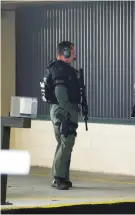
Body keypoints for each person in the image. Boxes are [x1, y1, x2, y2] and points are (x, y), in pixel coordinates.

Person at [40, 41, 81, 190]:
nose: (74, 54)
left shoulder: (61, 68)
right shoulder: (60, 69)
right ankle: (58, 178)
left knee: (65, 143)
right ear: (65, 52)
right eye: (72, 51)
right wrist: (67, 112)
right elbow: (60, 92)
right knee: (66, 142)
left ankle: (63, 177)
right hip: (63, 109)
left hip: (62, 109)